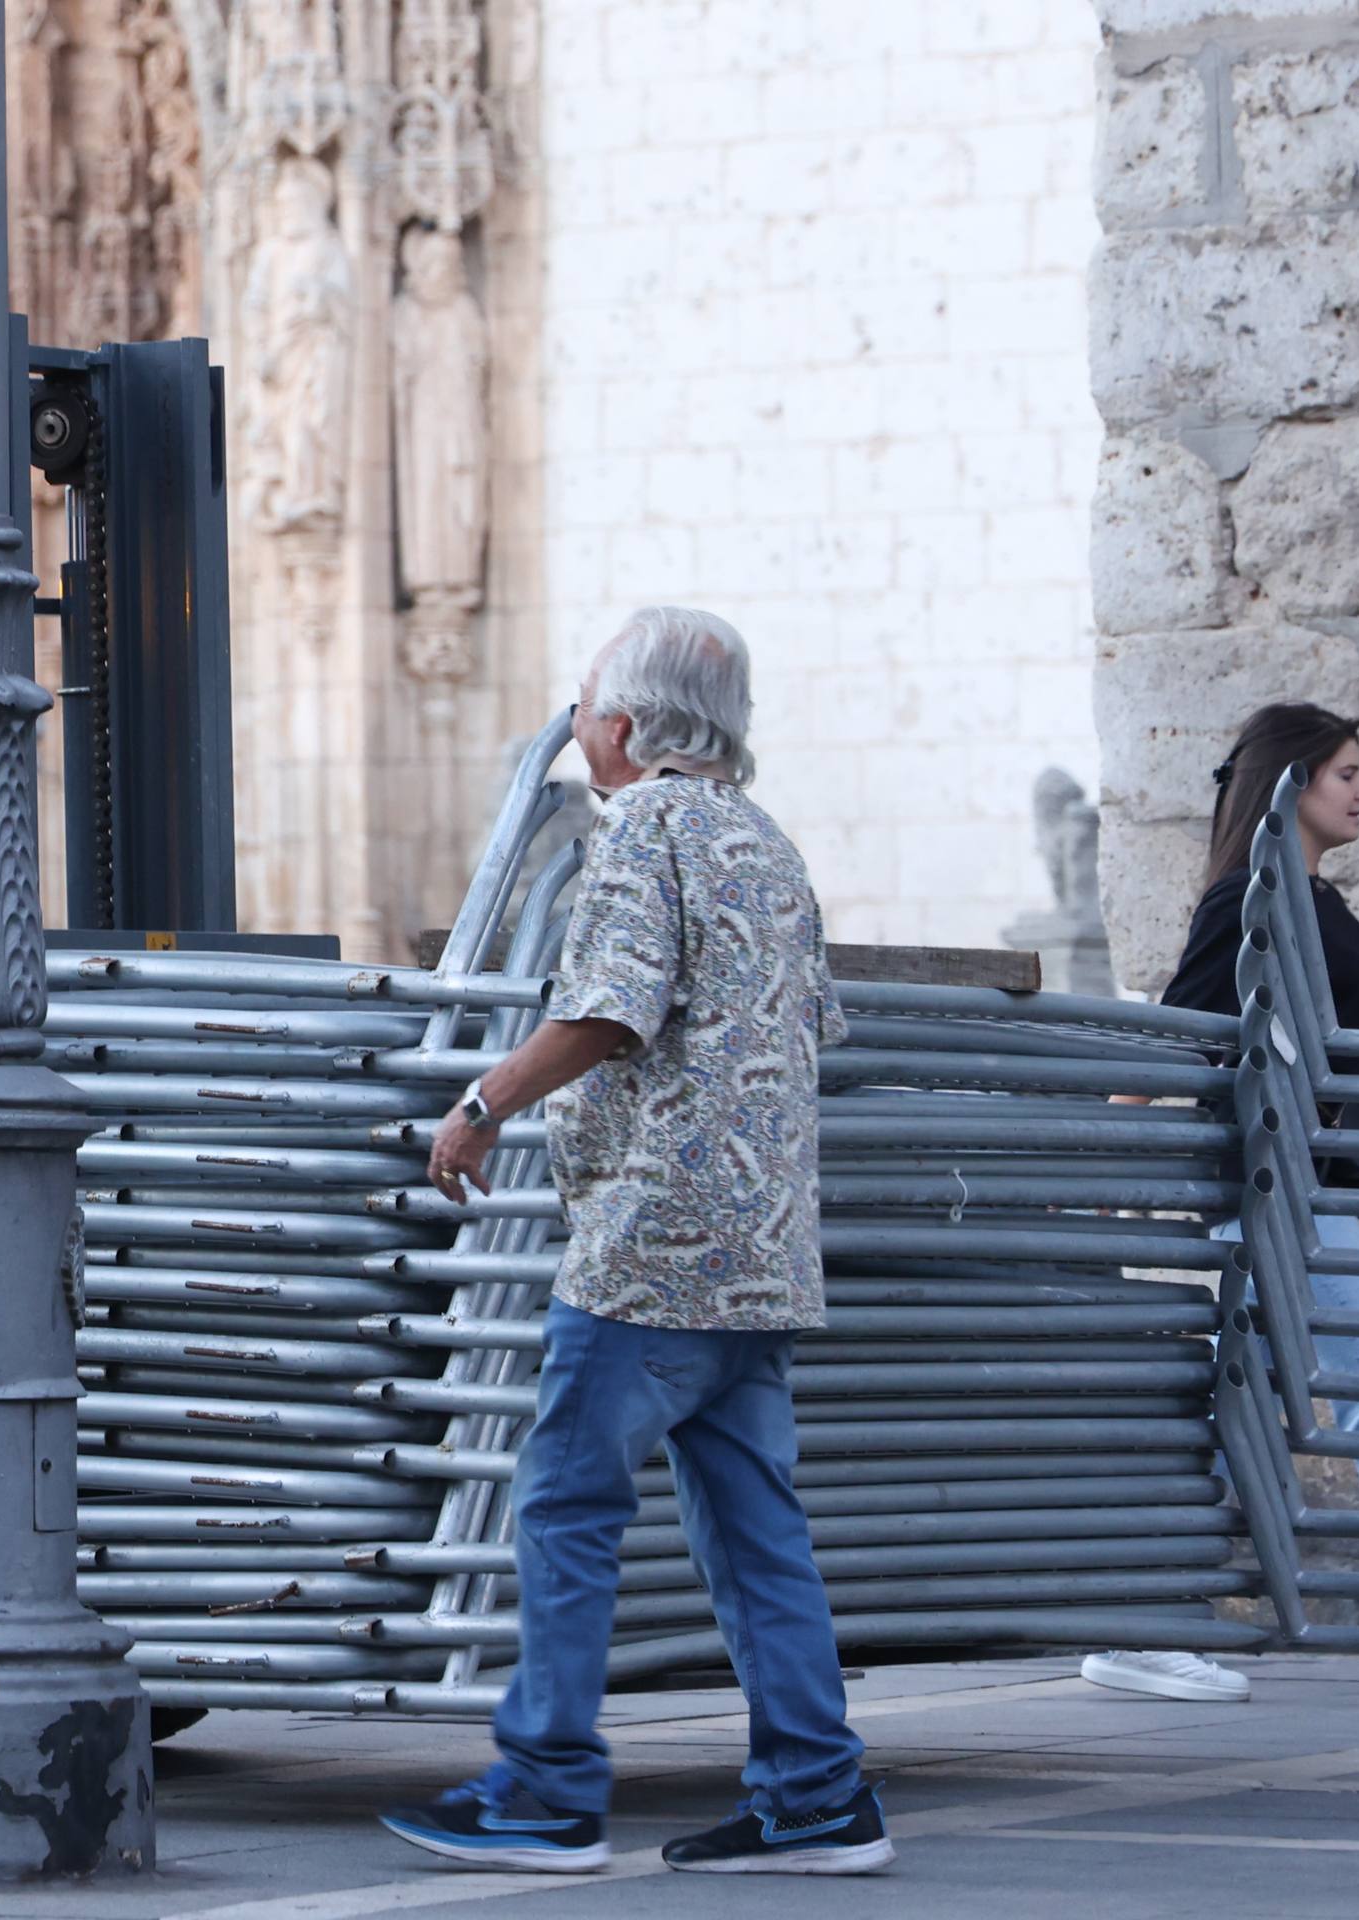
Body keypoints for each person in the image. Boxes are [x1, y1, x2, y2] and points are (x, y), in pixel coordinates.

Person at [380, 608, 891, 1876]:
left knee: (562, 1502)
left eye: (581, 706)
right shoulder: (768, 848)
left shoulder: (642, 836)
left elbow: (605, 1012)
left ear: (622, 723)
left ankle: (544, 1789)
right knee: (753, 1527)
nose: (574, 729)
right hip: (758, 1255)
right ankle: (816, 1794)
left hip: (650, 1247)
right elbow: (807, 1028)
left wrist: (478, 1103)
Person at [1079, 701, 1359, 1707]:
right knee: (1239, 1400)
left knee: (1229, 1402)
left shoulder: (1311, 901)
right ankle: (1143, 1613)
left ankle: (1145, 1607)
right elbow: (1181, 1028)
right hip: (1290, 1200)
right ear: (1289, 783)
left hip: (1324, 1200)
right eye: (1342, 772)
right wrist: (1106, 1163)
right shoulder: (1248, 897)